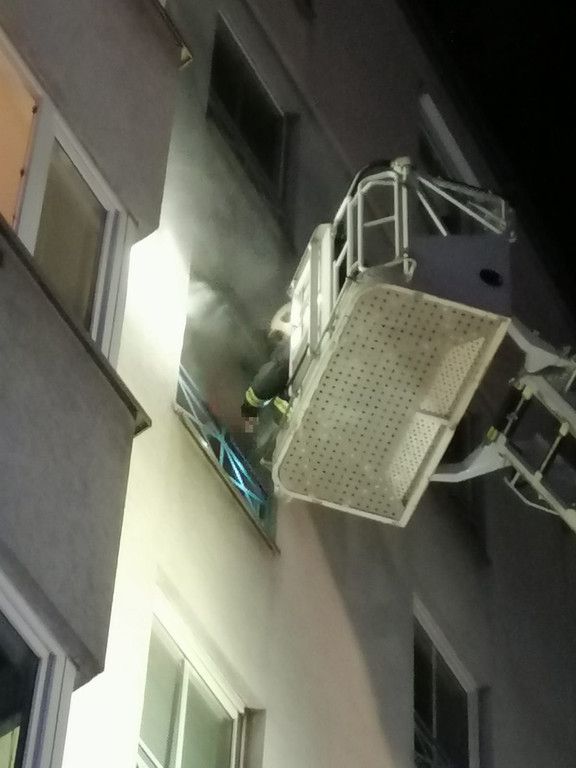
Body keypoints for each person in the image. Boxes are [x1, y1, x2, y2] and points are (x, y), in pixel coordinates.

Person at [241, 304, 292, 437]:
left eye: (279, 337)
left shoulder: (283, 360)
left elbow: (257, 392)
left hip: (294, 422)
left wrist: (249, 429)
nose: (279, 343)